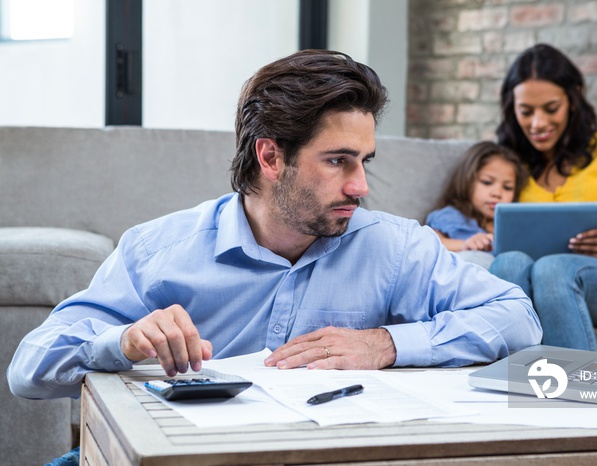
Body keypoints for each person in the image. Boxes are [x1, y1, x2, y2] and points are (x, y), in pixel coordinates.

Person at [8, 50, 542, 403]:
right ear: (270, 157)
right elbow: (28, 369)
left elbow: (518, 317)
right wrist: (121, 341)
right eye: (338, 161)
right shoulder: (158, 250)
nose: (360, 186)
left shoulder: (395, 247)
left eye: (365, 162)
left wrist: (386, 344)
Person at [489, 43, 597, 351]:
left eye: (551, 108)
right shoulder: (510, 166)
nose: (538, 123)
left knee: (553, 269)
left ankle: (576, 392)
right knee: (508, 264)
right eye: (526, 112)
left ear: (573, 99)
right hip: (539, 282)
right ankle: (502, 386)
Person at [425, 141, 527, 268]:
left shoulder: (513, 224)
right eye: (487, 182)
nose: (497, 193)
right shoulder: (451, 216)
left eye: (507, 187)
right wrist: (464, 244)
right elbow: (431, 243)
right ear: (467, 181)